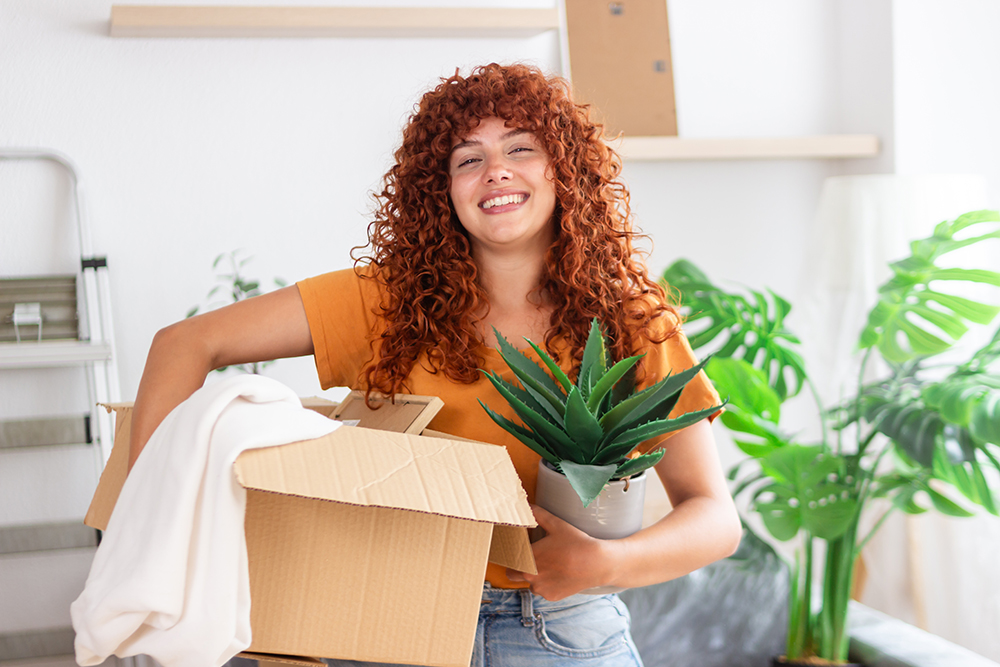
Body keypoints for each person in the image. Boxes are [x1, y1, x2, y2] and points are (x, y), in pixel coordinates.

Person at [129, 63, 741, 666]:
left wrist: (606, 564)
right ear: (441, 190)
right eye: (467, 158)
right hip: (394, 617)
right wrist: (152, 515)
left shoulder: (627, 319)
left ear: (566, 171)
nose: (495, 169)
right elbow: (183, 343)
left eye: (521, 147)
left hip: (562, 625)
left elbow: (714, 518)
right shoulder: (383, 302)